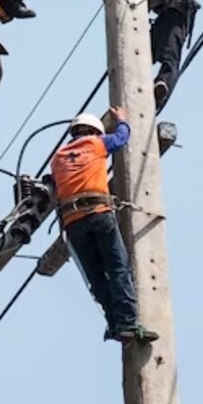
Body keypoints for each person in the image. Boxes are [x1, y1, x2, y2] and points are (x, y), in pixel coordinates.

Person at [49, 108, 159, 343]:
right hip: (98, 214)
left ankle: (114, 323)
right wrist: (122, 120)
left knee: (97, 277)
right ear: (95, 132)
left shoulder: (57, 158)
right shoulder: (96, 144)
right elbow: (121, 138)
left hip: (73, 223)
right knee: (118, 268)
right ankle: (127, 323)